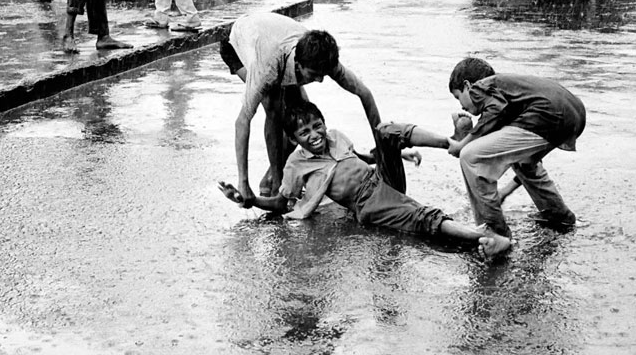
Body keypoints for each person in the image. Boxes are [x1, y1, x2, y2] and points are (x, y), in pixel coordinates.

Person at [218, 101, 512, 257]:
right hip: (368, 202)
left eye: (316, 126)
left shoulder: (335, 136)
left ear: (324, 124)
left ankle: (453, 144)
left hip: (381, 178)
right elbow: (282, 203)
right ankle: (486, 236)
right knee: (421, 217)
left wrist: (396, 155)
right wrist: (251, 200)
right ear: (294, 139)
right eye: (305, 133)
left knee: (386, 131)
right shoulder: (296, 165)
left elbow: (360, 156)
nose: (315, 135)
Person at [220, 12, 381, 204]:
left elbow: (365, 94)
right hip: (237, 44)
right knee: (273, 104)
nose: (321, 80)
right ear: (298, 64)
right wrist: (243, 182)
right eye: (314, 75)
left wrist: (381, 145)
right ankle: (277, 186)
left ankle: (272, 178)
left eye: (324, 74)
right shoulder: (268, 68)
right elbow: (243, 120)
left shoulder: (321, 58)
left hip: (273, 36)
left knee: (301, 123)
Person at [447, 57, 585, 255]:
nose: (461, 105)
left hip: (550, 113)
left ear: (468, 86)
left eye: (458, 96)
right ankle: (559, 216)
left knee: (471, 156)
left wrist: (463, 142)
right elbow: (528, 161)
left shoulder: (481, 87)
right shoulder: (509, 99)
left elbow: (486, 120)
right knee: (523, 160)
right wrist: (504, 191)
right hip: (572, 113)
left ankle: (496, 236)